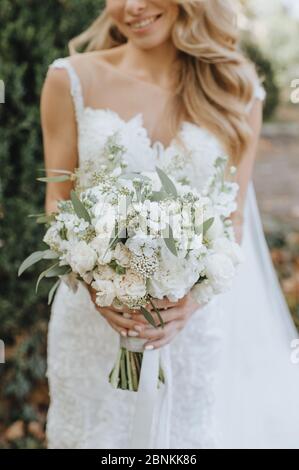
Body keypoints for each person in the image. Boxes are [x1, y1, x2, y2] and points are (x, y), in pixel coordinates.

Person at [41, 0, 299, 449]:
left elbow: (230, 216)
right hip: (93, 318)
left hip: (189, 326)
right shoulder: (71, 79)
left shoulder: (237, 90)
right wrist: (97, 284)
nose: (133, 7)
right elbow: (58, 202)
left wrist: (192, 303)